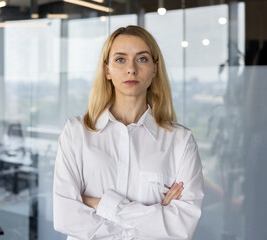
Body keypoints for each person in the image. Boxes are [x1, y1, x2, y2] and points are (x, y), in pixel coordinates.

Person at [53, 25, 204, 240]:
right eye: (120, 59)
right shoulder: (77, 133)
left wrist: (101, 204)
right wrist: (154, 219)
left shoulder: (180, 141)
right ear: (107, 70)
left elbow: (181, 228)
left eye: (142, 59)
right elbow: (66, 217)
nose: (131, 69)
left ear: (154, 69)